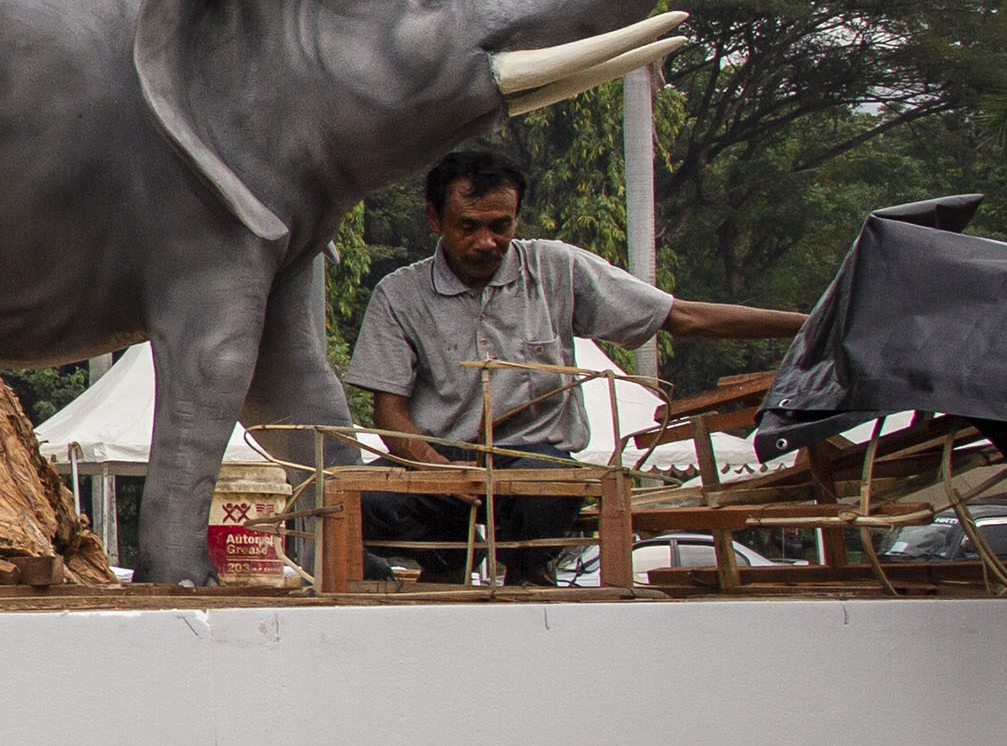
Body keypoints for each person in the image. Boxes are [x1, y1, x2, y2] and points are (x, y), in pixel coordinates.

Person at [343, 143, 809, 581]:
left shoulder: (556, 268)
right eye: (469, 227)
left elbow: (682, 316)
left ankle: (528, 573)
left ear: (516, 219)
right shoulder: (399, 294)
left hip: (531, 462)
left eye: (500, 226)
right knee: (353, 497)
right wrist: (434, 466)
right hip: (439, 468)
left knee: (548, 481)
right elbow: (390, 412)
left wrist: (810, 323)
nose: (487, 242)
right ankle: (444, 566)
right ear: (434, 219)